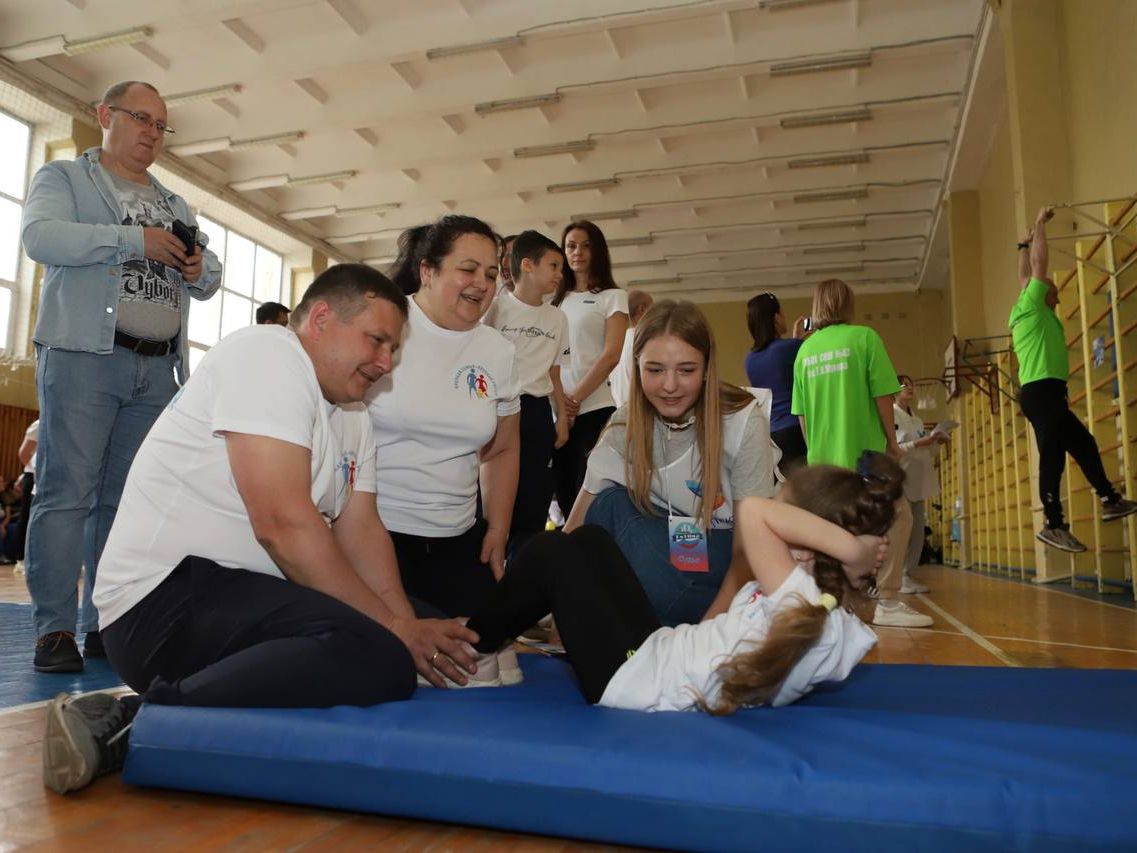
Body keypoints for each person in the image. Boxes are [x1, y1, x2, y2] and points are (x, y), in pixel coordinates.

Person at [45, 264, 481, 796]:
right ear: (321, 319)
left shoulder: (352, 413)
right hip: (160, 602)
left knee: (419, 627)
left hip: (235, 595)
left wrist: (405, 623)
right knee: (377, 651)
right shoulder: (268, 354)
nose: (385, 363)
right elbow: (281, 524)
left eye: (393, 350)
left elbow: (362, 529)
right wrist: (392, 633)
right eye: (377, 341)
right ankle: (133, 720)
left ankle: (235, 698)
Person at [20, 80, 223, 673]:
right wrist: (132, 240)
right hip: (85, 354)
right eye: (142, 119)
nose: (152, 133)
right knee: (65, 495)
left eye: (162, 125)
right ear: (105, 115)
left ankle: (107, 622)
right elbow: (40, 237)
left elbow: (209, 277)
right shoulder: (64, 179)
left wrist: (195, 264)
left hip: (158, 369)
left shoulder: (174, 203)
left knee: (125, 504)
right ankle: (54, 629)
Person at [463, 453, 896, 712]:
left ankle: (475, 652)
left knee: (551, 553)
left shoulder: (802, 605)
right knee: (590, 540)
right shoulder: (805, 599)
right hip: (656, 652)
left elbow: (753, 513)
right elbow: (715, 629)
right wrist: (847, 555)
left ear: (804, 545)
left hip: (634, 683)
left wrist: (850, 550)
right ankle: (496, 642)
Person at [565, 300, 778, 626]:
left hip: (730, 561)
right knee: (607, 505)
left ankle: (680, 623)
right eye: (655, 370)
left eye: (686, 370)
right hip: (670, 548)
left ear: (707, 367)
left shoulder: (742, 421)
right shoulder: (624, 425)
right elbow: (576, 524)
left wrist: (708, 631)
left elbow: (749, 550)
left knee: (659, 563)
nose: (669, 386)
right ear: (636, 366)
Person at [371, 216, 520, 619]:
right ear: (427, 271)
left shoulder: (498, 352)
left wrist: (497, 529)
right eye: (468, 270)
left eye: (492, 275)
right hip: (373, 532)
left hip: (456, 536)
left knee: (481, 657)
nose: (482, 284)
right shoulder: (382, 324)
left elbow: (503, 449)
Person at [791, 278, 931, 629]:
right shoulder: (865, 338)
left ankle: (834, 604)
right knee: (900, 518)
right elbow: (883, 397)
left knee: (836, 533)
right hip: (865, 457)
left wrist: (814, 454)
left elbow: (802, 414)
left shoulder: (804, 352)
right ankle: (887, 600)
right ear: (847, 304)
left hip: (824, 461)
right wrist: (893, 444)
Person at [1011, 206, 1137, 552]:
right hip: (1041, 392)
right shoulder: (1033, 306)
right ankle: (1053, 525)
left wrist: (1022, 246)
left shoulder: (1026, 306)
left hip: (1047, 393)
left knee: (1084, 445)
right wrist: (1038, 225)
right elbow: (1037, 269)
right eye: (1052, 286)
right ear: (1042, 292)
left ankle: (1110, 498)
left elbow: (1025, 275)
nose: (1056, 289)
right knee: (1052, 457)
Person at [481, 230, 570, 559]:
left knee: (534, 495)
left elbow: (554, 372)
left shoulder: (558, 318)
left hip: (536, 412)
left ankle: (522, 571)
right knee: (494, 494)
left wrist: (561, 417)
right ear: (528, 265)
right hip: (497, 408)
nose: (560, 274)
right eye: (554, 265)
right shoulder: (495, 307)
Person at [551, 220, 629, 520]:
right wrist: (562, 405)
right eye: (571, 246)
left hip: (593, 409)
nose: (577, 252)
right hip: (558, 413)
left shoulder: (612, 297)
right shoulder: (554, 300)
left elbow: (611, 355)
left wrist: (574, 400)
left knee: (593, 497)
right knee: (565, 496)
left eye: (585, 245)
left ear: (597, 250)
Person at [893, 374, 948, 593]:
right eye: (904, 384)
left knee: (917, 530)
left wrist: (936, 442)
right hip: (901, 479)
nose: (909, 387)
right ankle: (896, 575)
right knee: (902, 529)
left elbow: (927, 449)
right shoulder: (893, 416)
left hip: (920, 479)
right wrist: (919, 442)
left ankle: (908, 574)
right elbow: (896, 448)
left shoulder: (916, 419)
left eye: (911, 384)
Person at [744, 292, 808, 471]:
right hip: (796, 429)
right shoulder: (789, 348)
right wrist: (797, 341)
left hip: (771, 433)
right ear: (776, 318)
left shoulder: (750, 359)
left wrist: (795, 341)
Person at [610, 289, 654, 409]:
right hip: (639, 411)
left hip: (618, 411)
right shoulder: (645, 341)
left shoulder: (613, 343)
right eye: (653, 309)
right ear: (642, 309)